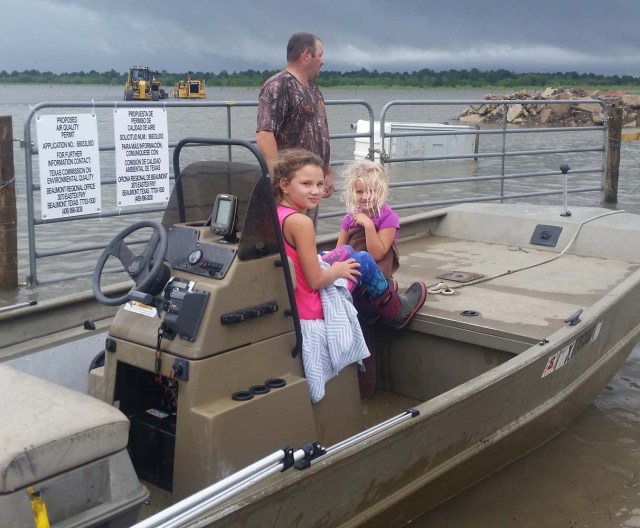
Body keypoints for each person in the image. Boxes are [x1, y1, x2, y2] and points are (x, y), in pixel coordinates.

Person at [273, 148, 426, 332]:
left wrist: (337, 259)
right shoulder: (302, 222)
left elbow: (344, 250)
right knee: (362, 259)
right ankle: (395, 312)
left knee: (345, 252)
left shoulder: (276, 214)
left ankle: (370, 300)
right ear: (285, 185)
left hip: (297, 295)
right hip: (311, 301)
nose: (315, 191)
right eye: (306, 183)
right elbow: (315, 280)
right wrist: (338, 269)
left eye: (320, 184)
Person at [257, 32, 335, 199]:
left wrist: (326, 171)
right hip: (290, 185)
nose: (322, 61)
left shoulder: (313, 89)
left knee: (306, 225)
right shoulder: (278, 85)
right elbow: (265, 134)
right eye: (320, 55)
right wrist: (278, 180)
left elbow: (319, 134)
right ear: (307, 55)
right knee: (291, 224)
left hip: (311, 183)